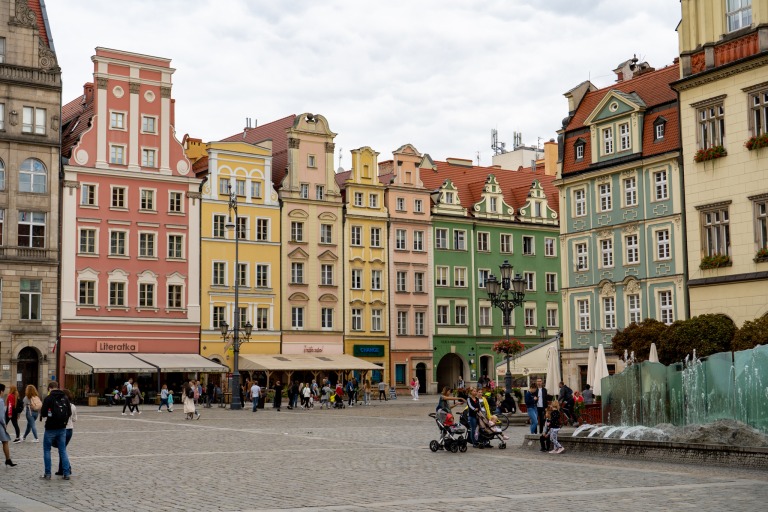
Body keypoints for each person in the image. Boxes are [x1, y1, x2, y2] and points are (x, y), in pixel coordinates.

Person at [39, 381, 71, 479]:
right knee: (63, 450)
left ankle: (48, 474)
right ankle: (66, 474)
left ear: (49, 388)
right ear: (57, 387)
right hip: (62, 428)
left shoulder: (48, 398)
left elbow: (44, 413)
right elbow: (69, 412)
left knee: (47, 450)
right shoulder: (65, 398)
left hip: (50, 428)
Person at [55, 389, 77, 476]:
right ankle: (61, 469)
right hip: (70, 430)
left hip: (62, 429)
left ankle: (67, 468)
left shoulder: (59, 405)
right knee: (62, 449)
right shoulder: (73, 406)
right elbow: (74, 419)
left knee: (62, 450)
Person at [0, 384, 17, 467]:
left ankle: (8, 459)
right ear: (1, 391)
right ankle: (8, 459)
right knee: (5, 441)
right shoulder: (0, 401)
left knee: (5, 441)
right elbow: (1, 415)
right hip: (0, 424)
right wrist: (4, 424)